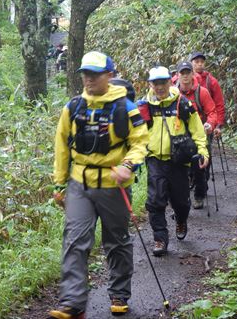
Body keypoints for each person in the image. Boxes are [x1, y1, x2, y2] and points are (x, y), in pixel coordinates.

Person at [50, 51, 149, 319]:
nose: (89, 78)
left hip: (112, 185)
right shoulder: (72, 107)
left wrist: (128, 166)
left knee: (116, 240)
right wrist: (59, 185)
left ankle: (119, 293)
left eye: (95, 73)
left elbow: (140, 142)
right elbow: (61, 148)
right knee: (75, 240)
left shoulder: (125, 107)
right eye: (85, 73)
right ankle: (72, 303)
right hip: (79, 184)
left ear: (109, 75)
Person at [139, 66, 209, 257]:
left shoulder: (183, 104)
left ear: (170, 82)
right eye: (156, 83)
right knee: (155, 201)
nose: (159, 87)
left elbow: (197, 130)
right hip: (155, 159)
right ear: (150, 84)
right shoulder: (145, 106)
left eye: (163, 82)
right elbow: (136, 133)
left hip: (179, 161)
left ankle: (181, 219)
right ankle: (160, 238)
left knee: (181, 202)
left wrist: (203, 151)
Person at [175, 61, 218, 209]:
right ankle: (181, 195)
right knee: (180, 167)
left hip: (200, 132)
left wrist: (210, 124)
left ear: (192, 74)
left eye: (188, 73)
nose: (185, 76)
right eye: (182, 73)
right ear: (177, 75)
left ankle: (199, 195)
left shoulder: (202, 92)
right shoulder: (173, 94)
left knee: (200, 166)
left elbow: (212, 112)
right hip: (180, 135)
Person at [189, 52, 225, 139]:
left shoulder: (211, 81)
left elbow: (219, 103)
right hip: (188, 122)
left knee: (205, 150)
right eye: (197, 61)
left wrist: (218, 125)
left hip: (206, 123)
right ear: (191, 63)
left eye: (202, 62)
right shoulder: (184, 80)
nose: (200, 64)